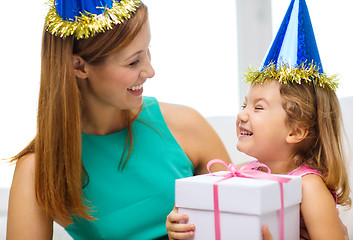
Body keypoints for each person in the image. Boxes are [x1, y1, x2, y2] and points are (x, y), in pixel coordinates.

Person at [6, 0, 232, 239]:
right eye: (133, 61)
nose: (150, 71)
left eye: (147, 51)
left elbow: (244, 215)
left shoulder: (185, 125)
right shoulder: (39, 168)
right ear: (79, 66)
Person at [166, 0, 351, 239]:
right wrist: (180, 225)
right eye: (244, 105)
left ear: (295, 131)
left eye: (258, 107)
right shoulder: (242, 172)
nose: (242, 114)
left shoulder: (309, 188)